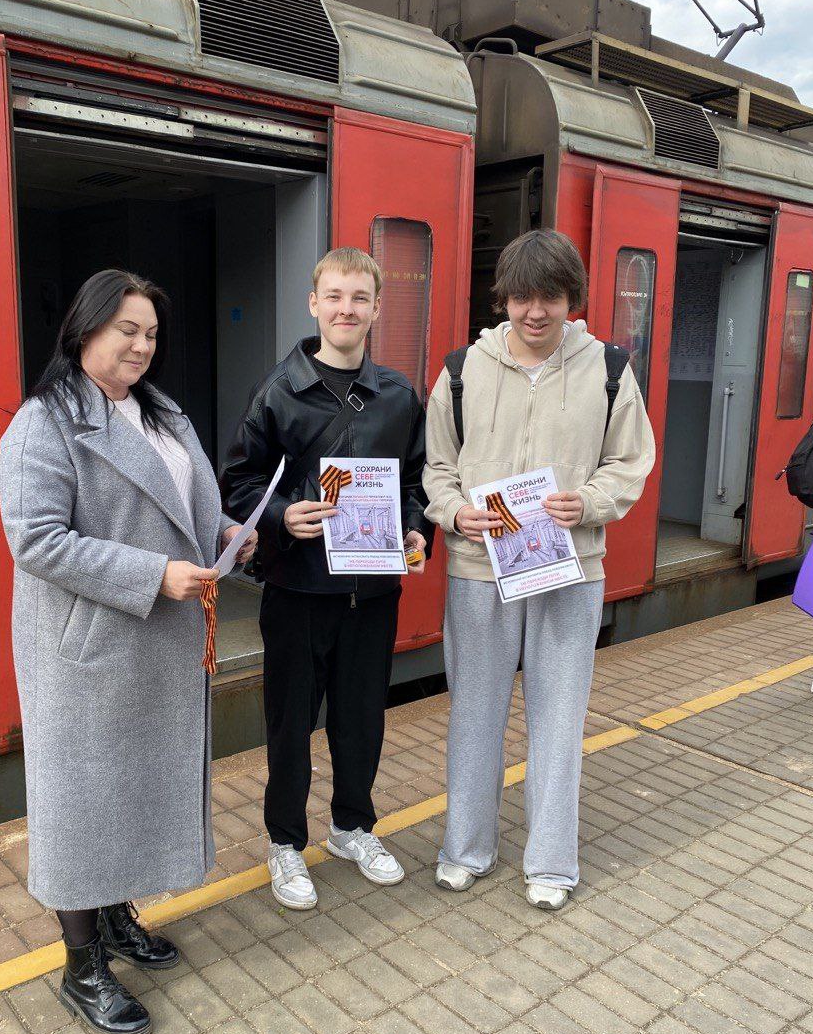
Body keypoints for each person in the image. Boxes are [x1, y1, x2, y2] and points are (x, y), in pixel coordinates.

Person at [0, 269, 255, 1034]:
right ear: (85, 334)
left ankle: (115, 919)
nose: (142, 346)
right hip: (88, 651)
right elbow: (36, 541)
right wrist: (154, 574)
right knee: (81, 807)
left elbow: (184, 506)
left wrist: (226, 534)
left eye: (150, 333)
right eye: (126, 331)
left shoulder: (160, 413)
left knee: (128, 790)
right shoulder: (41, 425)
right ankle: (81, 970)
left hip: (155, 641)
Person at [423, 229, 655, 911]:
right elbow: (436, 466)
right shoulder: (462, 368)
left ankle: (551, 864)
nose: (535, 312)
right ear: (504, 299)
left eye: (550, 298)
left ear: (570, 299)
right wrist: (454, 513)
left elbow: (630, 461)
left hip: (570, 568)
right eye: (522, 298)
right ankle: (465, 849)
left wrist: (587, 502)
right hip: (476, 566)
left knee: (559, 718)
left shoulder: (608, 368)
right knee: (475, 714)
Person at [221, 247, 433, 910]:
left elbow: (417, 482)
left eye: (359, 298)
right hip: (297, 590)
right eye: (334, 296)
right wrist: (286, 515)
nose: (346, 309)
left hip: (372, 593)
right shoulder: (278, 391)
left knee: (362, 719)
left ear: (375, 308)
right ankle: (285, 843)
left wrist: (416, 526)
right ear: (314, 304)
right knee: (290, 725)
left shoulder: (399, 394)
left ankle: (351, 829)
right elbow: (238, 484)